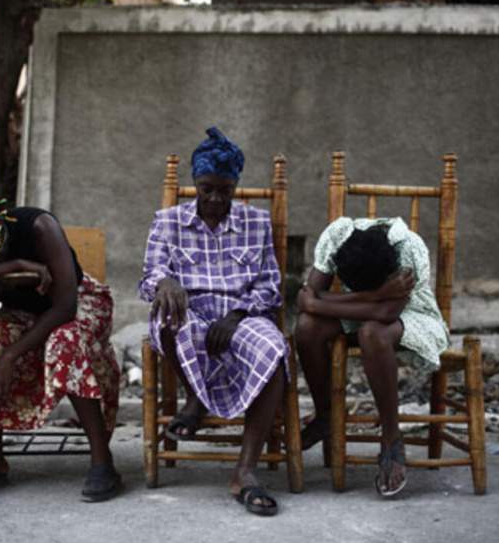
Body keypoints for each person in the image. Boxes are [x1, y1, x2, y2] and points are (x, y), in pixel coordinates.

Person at [0, 191, 121, 502]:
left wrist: (13, 354)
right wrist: (11, 267)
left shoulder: (39, 227)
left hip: (78, 302)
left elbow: (65, 307)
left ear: (1, 240)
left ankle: (103, 462)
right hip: (22, 312)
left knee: (66, 342)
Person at [139, 127, 288, 516]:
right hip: (189, 312)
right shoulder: (167, 221)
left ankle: (245, 472)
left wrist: (238, 316)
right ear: (194, 183)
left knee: (274, 349)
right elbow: (149, 277)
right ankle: (195, 399)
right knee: (172, 318)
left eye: (225, 190)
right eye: (207, 189)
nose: (216, 199)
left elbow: (270, 286)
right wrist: (165, 281)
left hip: (242, 313)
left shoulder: (256, 223)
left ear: (235, 185)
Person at [294, 216, 449, 497]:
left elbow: (384, 313)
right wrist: (375, 294)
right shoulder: (338, 235)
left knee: (372, 334)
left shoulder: (408, 249)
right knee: (306, 327)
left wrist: (321, 302)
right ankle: (326, 414)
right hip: (365, 312)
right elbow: (305, 301)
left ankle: (391, 437)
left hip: (413, 314)